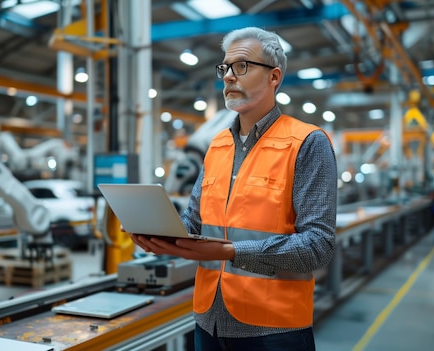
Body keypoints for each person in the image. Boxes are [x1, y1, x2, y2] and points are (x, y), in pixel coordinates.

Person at [129, 26, 337, 351]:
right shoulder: (217, 146)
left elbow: (318, 246)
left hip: (274, 329)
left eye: (242, 66)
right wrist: (162, 235)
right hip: (208, 320)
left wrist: (233, 252)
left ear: (274, 77)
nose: (228, 76)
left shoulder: (307, 143)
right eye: (225, 67)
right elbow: (194, 222)